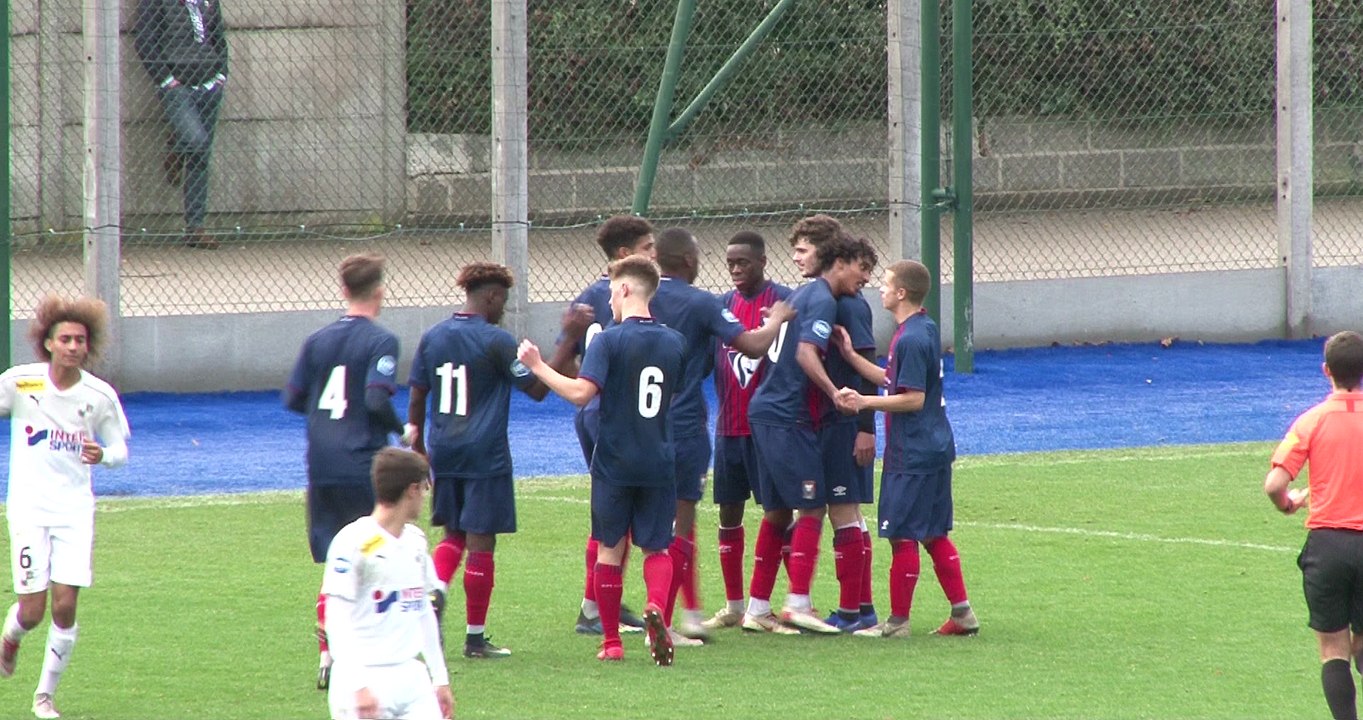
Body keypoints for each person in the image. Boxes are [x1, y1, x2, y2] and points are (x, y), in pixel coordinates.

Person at [518, 255, 685, 665]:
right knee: (658, 547)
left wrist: (537, 366)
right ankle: (657, 607)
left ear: (626, 289)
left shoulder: (608, 340)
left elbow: (581, 394)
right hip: (659, 458)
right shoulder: (674, 341)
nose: (610, 299)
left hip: (614, 459)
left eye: (612, 290)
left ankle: (611, 642)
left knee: (610, 548)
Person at [405, 262, 562, 660]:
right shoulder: (496, 340)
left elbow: (418, 393)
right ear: (491, 297)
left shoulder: (433, 336)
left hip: (444, 449)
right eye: (503, 302)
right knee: (481, 542)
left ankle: (435, 591)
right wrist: (569, 341)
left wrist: (419, 447)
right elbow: (538, 390)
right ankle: (474, 638)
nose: (503, 310)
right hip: (484, 453)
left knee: (453, 534)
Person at [648, 228, 793, 642]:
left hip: (644, 427)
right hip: (699, 424)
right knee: (684, 518)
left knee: (644, 525)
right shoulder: (708, 303)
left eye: (741, 261)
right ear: (690, 261)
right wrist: (778, 322)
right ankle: (675, 616)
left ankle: (623, 625)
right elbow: (748, 346)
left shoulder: (636, 298)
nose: (732, 269)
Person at [831, 260, 979, 640]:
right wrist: (851, 357)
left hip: (913, 453)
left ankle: (897, 623)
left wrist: (863, 402)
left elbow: (911, 398)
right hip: (932, 448)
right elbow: (894, 379)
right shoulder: (920, 329)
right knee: (932, 534)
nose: (879, 289)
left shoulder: (911, 338)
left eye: (885, 284)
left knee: (902, 534)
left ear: (901, 293)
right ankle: (962, 614)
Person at [0, 295, 131, 720]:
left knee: (65, 605)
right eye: (66, 339)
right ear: (48, 343)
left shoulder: (99, 395)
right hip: (28, 510)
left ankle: (44, 696)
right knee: (33, 610)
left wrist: (104, 456)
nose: (73, 346)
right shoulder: (22, 383)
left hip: (74, 512)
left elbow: (120, 449)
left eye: (80, 340)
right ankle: (11, 637)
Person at [284, 253, 409, 690]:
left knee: (334, 561)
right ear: (380, 292)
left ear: (343, 291)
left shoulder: (316, 340)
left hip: (320, 464)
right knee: (374, 555)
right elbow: (376, 400)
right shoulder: (381, 342)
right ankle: (368, 649)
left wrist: (326, 420)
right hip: (362, 464)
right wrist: (403, 430)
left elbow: (295, 398)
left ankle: (328, 653)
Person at [741, 232, 873, 635]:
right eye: (862, 268)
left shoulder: (802, 295)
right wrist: (835, 393)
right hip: (787, 418)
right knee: (813, 507)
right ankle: (798, 602)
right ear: (841, 260)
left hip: (766, 412)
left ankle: (756, 609)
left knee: (779, 512)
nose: (865, 278)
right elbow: (803, 353)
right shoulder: (823, 299)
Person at [560, 216, 656, 636]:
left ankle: (596, 604)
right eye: (648, 248)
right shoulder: (632, 294)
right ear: (625, 255)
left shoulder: (586, 297)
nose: (655, 256)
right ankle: (596, 609)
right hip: (615, 414)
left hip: (591, 412)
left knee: (611, 512)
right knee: (619, 513)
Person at [788, 215, 881, 632]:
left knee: (841, 510)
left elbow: (865, 365)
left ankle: (851, 611)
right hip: (829, 420)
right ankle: (860, 607)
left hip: (842, 422)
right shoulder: (820, 297)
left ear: (831, 254)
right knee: (848, 513)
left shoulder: (846, 303)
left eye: (805, 249)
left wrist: (866, 426)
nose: (797, 258)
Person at [1264, 330, 1363, 720]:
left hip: (1328, 545)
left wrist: (1289, 504)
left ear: (1327, 371)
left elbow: (1274, 484)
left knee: (1332, 649)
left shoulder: (1311, 421)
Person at [701, 231, 794, 631]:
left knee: (779, 513)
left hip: (769, 431)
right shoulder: (723, 307)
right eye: (730, 264)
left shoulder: (785, 304)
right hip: (729, 428)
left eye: (744, 263)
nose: (736, 270)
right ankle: (735, 605)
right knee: (729, 513)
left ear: (763, 262)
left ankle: (789, 602)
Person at [321, 448, 454, 720]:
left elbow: (423, 610)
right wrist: (358, 685)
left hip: (411, 677)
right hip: (362, 678)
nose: (426, 497)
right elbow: (336, 619)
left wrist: (439, 679)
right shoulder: (352, 543)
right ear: (412, 490)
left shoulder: (416, 542)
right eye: (425, 488)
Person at [133, 0, 229, 250]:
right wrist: (165, 79)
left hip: (210, 84)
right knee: (196, 141)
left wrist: (221, 75)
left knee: (201, 156)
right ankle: (176, 144)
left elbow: (218, 37)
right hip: (178, 87)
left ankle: (195, 228)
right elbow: (145, 41)